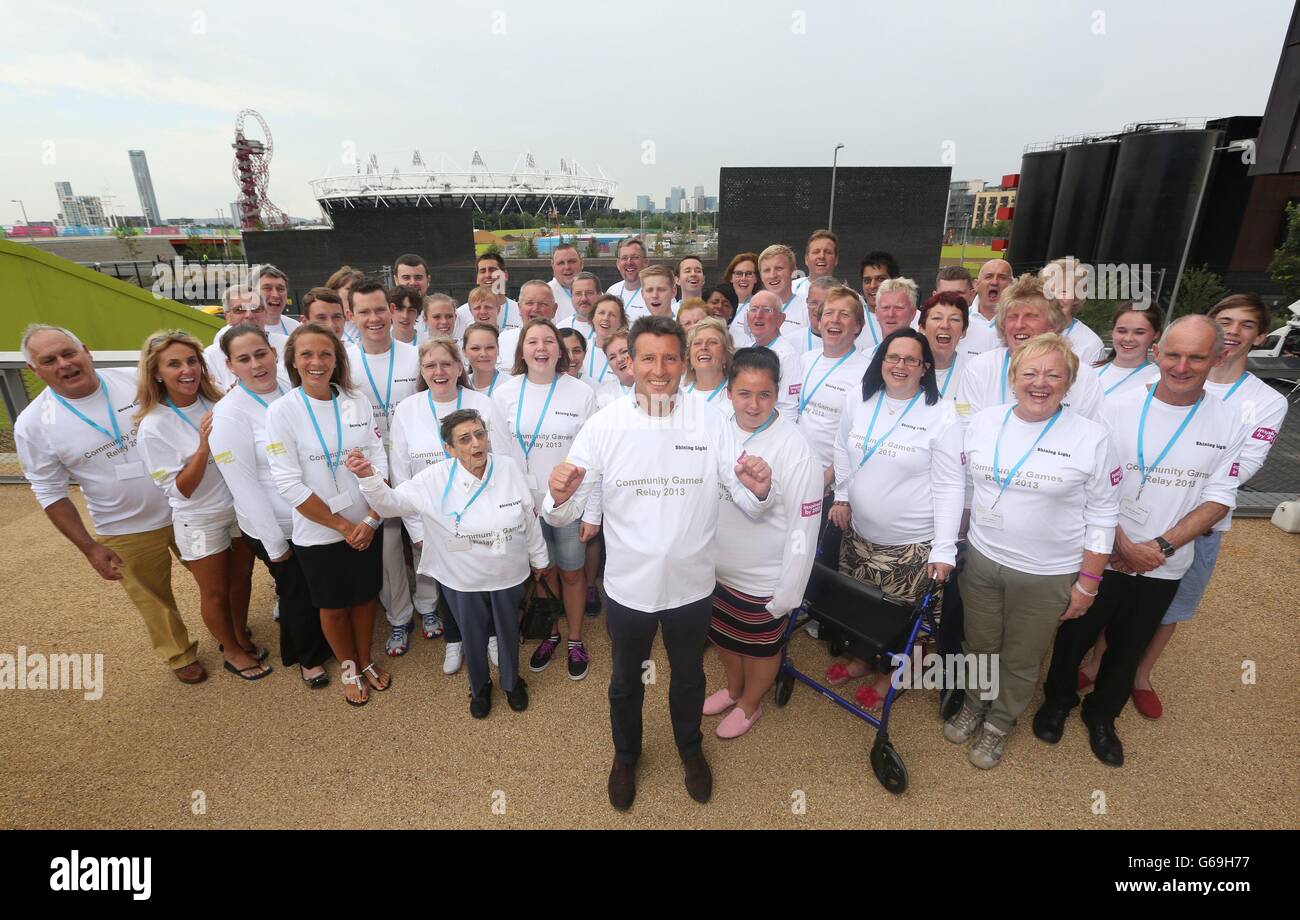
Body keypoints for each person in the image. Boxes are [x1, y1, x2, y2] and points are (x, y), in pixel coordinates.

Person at [543, 315, 776, 811]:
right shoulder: (604, 425)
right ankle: (626, 756)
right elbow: (564, 506)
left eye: (671, 357)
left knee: (689, 676)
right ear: (630, 361)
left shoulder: (711, 420)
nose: (659, 368)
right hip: (629, 588)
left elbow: (746, 495)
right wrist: (556, 497)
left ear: (685, 361)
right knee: (626, 680)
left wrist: (760, 489)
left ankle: (690, 750)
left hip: (692, 587)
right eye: (648, 357)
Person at [1035, 316, 1246, 766]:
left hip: (1163, 562)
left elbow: (1219, 498)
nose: (1182, 366)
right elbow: (1090, 484)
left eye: (1196, 357)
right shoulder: (1115, 408)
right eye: (1173, 354)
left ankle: (1103, 716)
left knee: (1130, 646)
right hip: (1105, 552)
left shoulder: (1231, 420)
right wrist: (1123, 544)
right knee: (1074, 636)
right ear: (1157, 353)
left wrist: (1160, 547)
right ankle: (1055, 702)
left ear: (1218, 357)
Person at [1081, 295, 1283, 718]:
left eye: (1246, 325)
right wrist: (1123, 538)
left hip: (1189, 525)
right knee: (1110, 602)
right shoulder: (1139, 393)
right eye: (1225, 320)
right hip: (1121, 525)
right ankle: (1096, 661)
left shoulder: (1257, 403)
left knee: (1167, 605)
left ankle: (1139, 674)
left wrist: (1162, 542)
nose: (1233, 331)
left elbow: (1236, 473)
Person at [946, 333, 1120, 769]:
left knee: (1022, 656)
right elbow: (961, 487)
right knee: (979, 644)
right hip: (984, 560)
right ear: (1013, 378)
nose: (1040, 383)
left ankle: (999, 724)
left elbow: (1103, 515)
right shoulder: (984, 422)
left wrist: (1088, 583)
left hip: (1048, 573)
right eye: (1030, 373)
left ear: (1069, 382)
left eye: (1053, 375)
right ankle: (975, 703)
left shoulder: (1091, 437)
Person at [16, 324, 206, 683]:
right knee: (153, 599)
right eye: (49, 360)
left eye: (69, 353)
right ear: (34, 370)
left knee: (215, 578)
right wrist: (88, 547)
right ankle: (180, 655)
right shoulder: (33, 425)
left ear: (86, 351)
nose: (64, 364)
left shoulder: (135, 381)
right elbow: (48, 490)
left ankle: (231, 634)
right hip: (123, 528)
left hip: (187, 509)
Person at [348, 409, 548, 716]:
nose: (475, 444)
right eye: (464, 439)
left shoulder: (507, 467)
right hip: (461, 577)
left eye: (480, 434)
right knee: (472, 634)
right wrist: (368, 479)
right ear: (450, 449)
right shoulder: (432, 478)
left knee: (508, 630)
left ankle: (512, 682)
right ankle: (480, 686)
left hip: (508, 572)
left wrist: (539, 558)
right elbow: (391, 505)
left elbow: (529, 517)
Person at [825, 328, 963, 707]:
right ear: (881, 360)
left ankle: (892, 676)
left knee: (908, 624)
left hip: (912, 547)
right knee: (863, 610)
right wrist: (841, 496)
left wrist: (944, 548)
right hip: (859, 537)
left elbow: (952, 485)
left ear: (925, 368)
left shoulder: (942, 414)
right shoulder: (859, 398)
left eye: (911, 360)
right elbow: (841, 447)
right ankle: (862, 659)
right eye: (893, 357)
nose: (900, 365)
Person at [133, 330, 269, 681]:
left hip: (238, 510)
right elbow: (180, 491)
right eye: (174, 364)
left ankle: (238, 634)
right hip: (198, 521)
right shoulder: (153, 426)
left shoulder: (219, 402)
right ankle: (233, 651)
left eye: (192, 361)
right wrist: (204, 446)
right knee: (214, 591)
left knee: (241, 580)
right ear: (156, 372)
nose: (186, 370)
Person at [266, 323, 390, 706]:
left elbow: (378, 458)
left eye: (325, 354)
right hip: (319, 531)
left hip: (367, 522)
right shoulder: (282, 412)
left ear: (337, 360)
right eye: (307, 354)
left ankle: (366, 658)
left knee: (366, 597)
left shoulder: (356, 401)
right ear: (293, 361)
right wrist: (342, 524)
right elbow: (287, 482)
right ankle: (348, 665)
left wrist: (370, 519)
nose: (317, 362)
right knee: (333, 605)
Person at [704, 348, 822, 738]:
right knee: (723, 636)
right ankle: (734, 689)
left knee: (760, 648)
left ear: (777, 394)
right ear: (727, 391)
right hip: (715, 567)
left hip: (763, 576)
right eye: (743, 393)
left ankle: (751, 704)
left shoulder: (794, 446)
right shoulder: (716, 427)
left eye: (764, 395)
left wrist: (788, 592)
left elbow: (805, 525)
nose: (753, 405)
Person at [211, 323, 331, 688]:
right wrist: (275, 544)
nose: (256, 365)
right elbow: (243, 486)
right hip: (276, 524)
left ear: (274, 354)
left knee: (315, 588)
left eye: (260, 354)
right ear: (230, 366)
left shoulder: (291, 389)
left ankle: (315, 645)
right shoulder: (229, 414)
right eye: (244, 359)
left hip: (312, 513)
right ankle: (308, 660)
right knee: (296, 592)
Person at [390, 336, 520, 673]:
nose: (439, 371)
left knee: (484, 576)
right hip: (431, 520)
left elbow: (504, 459)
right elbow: (400, 472)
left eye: (446, 363)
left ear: (460, 367)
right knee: (448, 583)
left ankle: (490, 635)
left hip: (482, 516)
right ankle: (455, 639)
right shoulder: (408, 409)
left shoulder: (484, 404)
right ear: (421, 370)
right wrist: (415, 529)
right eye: (430, 365)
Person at [492, 318, 600, 680]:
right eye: (533, 341)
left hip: (570, 504)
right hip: (525, 505)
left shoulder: (581, 393)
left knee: (572, 573)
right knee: (543, 571)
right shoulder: (504, 394)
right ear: (521, 350)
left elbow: (594, 458)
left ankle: (573, 639)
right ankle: (551, 633)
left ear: (560, 350)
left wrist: (592, 511)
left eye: (549, 341)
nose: (541, 348)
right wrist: (514, 504)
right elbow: (501, 455)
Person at [344, 279, 420, 656]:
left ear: (391, 311)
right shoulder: (344, 362)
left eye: (379, 309)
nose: (373, 318)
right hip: (372, 468)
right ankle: (399, 618)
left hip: (415, 463)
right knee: (389, 546)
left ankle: (429, 605)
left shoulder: (415, 355)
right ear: (350, 316)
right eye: (364, 312)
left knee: (426, 536)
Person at [955, 274, 1104, 423]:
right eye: (1013, 316)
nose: (1019, 325)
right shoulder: (979, 368)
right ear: (1002, 325)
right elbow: (966, 424)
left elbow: (1087, 432)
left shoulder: (1084, 378)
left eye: (1031, 316)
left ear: (1052, 325)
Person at [794, 286, 869, 566]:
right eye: (828, 313)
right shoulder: (805, 361)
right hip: (797, 476)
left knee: (816, 563)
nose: (834, 320)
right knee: (794, 552)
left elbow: (858, 438)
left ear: (858, 326)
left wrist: (829, 478)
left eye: (844, 315)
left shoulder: (866, 372)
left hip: (829, 485)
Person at [740, 290, 801, 414]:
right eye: (754, 309)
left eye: (766, 310)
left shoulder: (787, 357)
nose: (758, 315)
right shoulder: (745, 351)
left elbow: (788, 408)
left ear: (781, 319)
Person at [1040, 256, 1105, 364]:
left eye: (1064, 292)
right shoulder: (1027, 328)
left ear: (1077, 297)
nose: (1056, 298)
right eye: (1050, 291)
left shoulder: (1090, 344)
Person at [1092, 302, 1162, 400]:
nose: (1128, 338)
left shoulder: (1159, 380)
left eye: (1139, 332)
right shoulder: (1089, 371)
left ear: (1156, 334)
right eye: (1122, 331)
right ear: (1112, 332)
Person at [920, 291, 972, 402]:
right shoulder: (907, 369)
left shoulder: (973, 372)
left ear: (964, 330)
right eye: (937, 318)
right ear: (922, 327)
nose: (945, 325)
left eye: (954, 319)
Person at [495, 281, 558, 371]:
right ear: (519, 308)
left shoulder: (563, 341)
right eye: (529, 303)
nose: (535, 309)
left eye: (543, 304)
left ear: (554, 309)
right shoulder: (503, 339)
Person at [455, 253, 520, 336]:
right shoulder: (461, 314)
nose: (488, 275)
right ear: (477, 278)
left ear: (505, 275)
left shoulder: (519, 311)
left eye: (493, 270)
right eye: (482, 271)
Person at [963, 259, 1013, 355]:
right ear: (976, 285)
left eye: (1002, 277)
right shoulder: (960, 320)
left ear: (1012, 285)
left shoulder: (1019, 325)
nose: (994, 282)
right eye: (989, 276)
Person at [861, 277, 920, 356]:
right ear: (877, 313)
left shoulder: (924, 357)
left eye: (898, 308)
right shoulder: (865, 357)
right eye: (886, 307)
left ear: (913, 313)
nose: (891, 314)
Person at [683, 316, 734, 406]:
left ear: (725, 355)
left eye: (713, 342)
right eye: (697, 343)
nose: (704, 347)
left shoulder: (737, 396)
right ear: (689, 356)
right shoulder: (678, 396)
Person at [325, 265, 365, 345]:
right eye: (349, 288)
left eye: (358, 288)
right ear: (335, 292)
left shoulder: (368, 319)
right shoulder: (327, 322)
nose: (355, 292)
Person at [557, 271, 602, 341]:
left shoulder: (609, 327)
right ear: (571, 297)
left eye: (589, 293)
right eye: (578, 294)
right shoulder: (560, 328)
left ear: (600, 295)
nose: (584, 298)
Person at [606, 237, 648, 312]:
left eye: (635, 257)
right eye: (624, 258)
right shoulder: (612, 292)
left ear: (645, 262)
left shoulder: (658, 293)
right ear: (618, 264)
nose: (629, 262)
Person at [793, 230, 840, 296]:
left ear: (836, 259)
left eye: (828, 252)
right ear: (806, 259)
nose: (822, 256)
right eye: (816, 252)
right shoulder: (791, 289)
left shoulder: (849, 297)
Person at [595, 330, 635, 409]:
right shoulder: (603, 395)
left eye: (624, 351)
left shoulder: (657, 384)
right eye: (612, 357)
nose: (619, 359)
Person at [255, 265, 298, 337]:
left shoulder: (296, 328)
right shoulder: (239, 333)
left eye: (280, 289)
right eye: (267, 288)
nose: (275, 295)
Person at [463, 322, 504, 396]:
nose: (483, 354)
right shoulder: (459, 386)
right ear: (464, 351)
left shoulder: (513, 386)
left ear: (498, 349)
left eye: (489, 348)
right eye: (475, 348)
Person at [548, 242, 584, 322]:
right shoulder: (544, 295)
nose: (567, 267)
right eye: (561, 263)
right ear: (553, 266)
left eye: (571, 261)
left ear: (582, 263)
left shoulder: (597, 294)